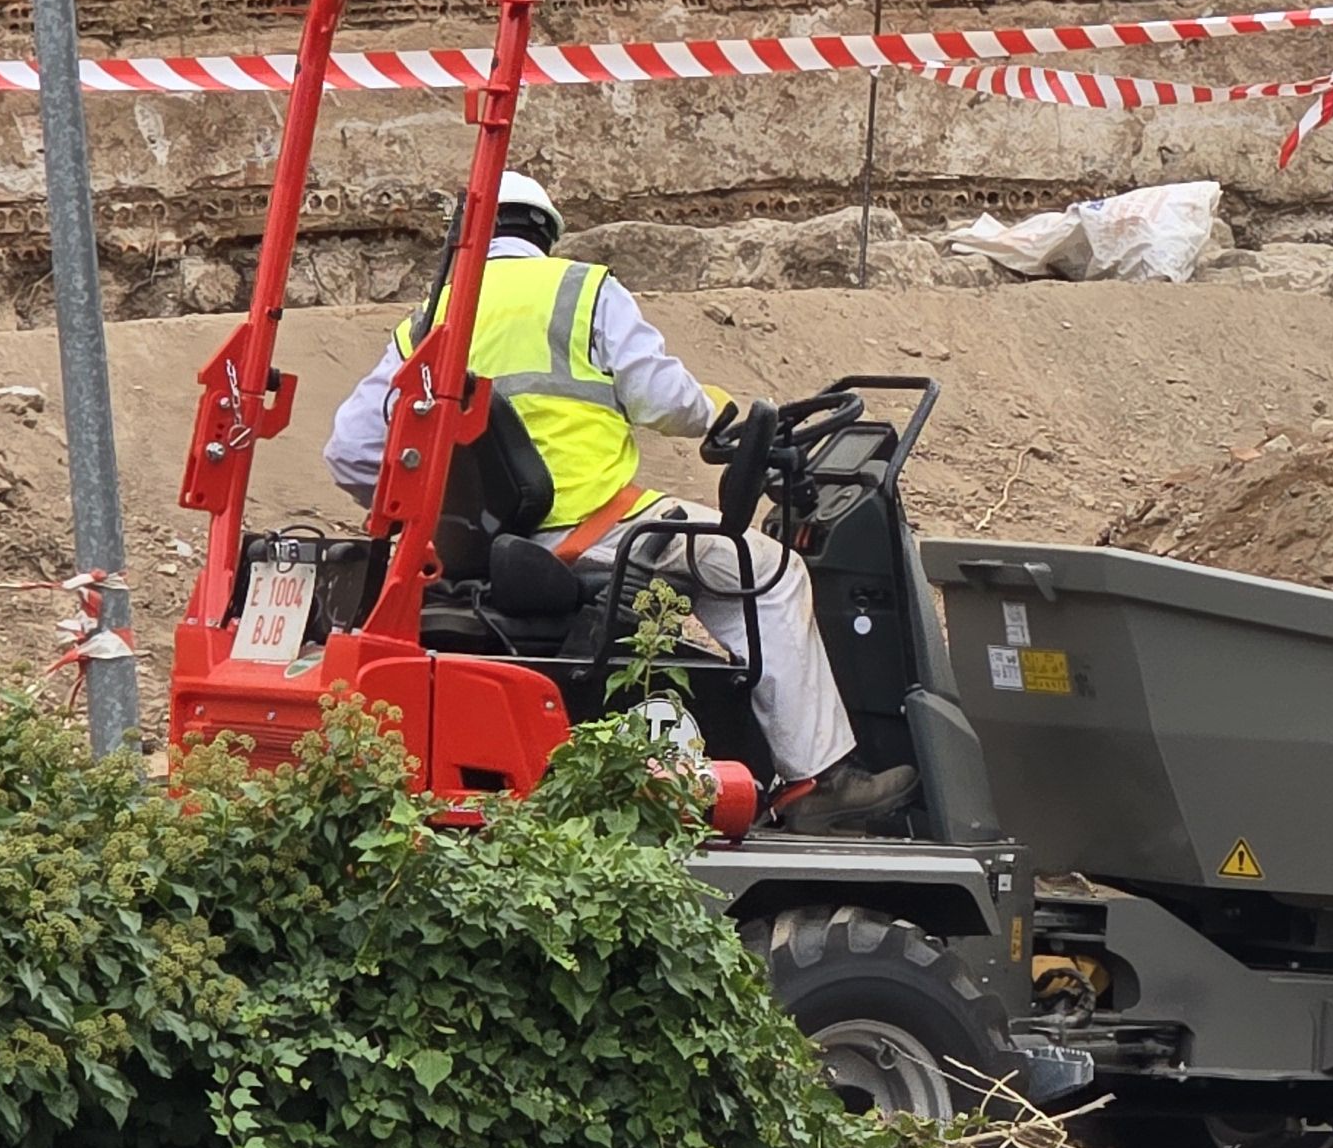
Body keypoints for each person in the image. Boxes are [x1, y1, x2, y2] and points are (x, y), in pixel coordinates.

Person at [325, 171, 913, 831]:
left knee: (722, 581)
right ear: (544, 232)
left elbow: (349, 450)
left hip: (491, 551)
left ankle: (760, 754)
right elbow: (662, 398)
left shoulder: (431, 320)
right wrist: (721, 413)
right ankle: (818, 782)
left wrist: (430, 521)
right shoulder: (580, 290)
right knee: (771, 571)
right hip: (600, 528)